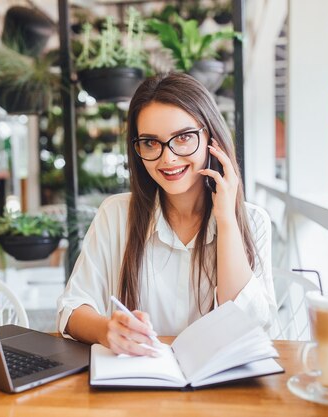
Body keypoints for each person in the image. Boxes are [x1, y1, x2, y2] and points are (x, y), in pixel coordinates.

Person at [56, 72, 276, 357]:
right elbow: (71, 309)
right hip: (139, 382)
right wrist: (107, 330)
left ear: (212, 138)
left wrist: (226, 219)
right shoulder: (116, 214)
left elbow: (249, 327)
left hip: (222, 388)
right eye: (150, 143)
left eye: (183, 137)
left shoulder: (252, 221)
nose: (167, 158)